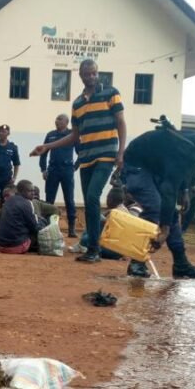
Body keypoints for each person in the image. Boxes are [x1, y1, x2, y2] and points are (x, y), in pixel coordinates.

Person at [32, 59, 126, 263]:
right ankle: (92, 249)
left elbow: (120, 122)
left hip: (106, 154)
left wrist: (121, 152)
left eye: (94, 73)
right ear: (81, 75)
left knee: (93, 197)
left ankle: (94, 248)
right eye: (87, 74)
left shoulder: (111, 93)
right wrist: (48, 146)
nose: (91, 77)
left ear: (97, 73)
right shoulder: (77, 103)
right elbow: (74, 136)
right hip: (85, 159)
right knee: (89, 202)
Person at [123, 120, 195, 279]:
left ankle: (181, 264)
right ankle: (137, 262)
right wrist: (165, 229)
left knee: (170, 213)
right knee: (155, 206)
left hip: (157, 168)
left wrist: (185, 191)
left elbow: (180, 172)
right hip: (136, 164)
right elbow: (169, 189)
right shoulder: (185, 149)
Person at [39, 114, 78, 237]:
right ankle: (46, 226)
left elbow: (81, 152)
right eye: (56, 118)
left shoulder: (72, 135)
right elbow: (43, 153)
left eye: (60, 119)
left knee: (69, 200)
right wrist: (43, 169)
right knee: (49, 200)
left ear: (67, 122)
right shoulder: (50, 135)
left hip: (67, 171)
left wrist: (75, 167)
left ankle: (71, 228)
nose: (57, 121)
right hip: (53, 171)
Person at [0, 179, 47, 254]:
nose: (33, 193)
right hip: (16, 247)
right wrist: (44, 223)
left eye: (33, 191)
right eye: (30, 191)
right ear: (21, 192)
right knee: (40, 225)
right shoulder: (27, 203)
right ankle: (35, 248)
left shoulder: (8, 201)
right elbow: (35, 227)